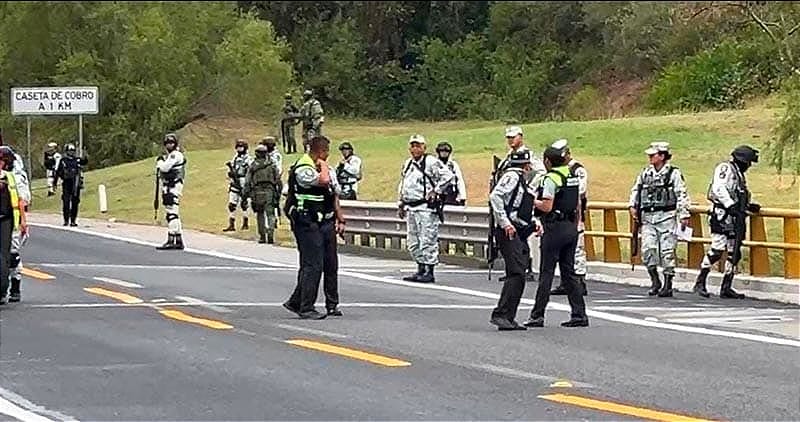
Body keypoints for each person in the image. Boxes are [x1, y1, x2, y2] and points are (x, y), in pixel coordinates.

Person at [524, 146, 589, 328]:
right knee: (569, 273)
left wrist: (530, 200)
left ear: (547, 161)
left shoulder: (551, 178)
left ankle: (537, 315)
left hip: (554, 228)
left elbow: (546, 206)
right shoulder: (572, 176)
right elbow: (577, 203)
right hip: (571, 227)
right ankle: (579, 314)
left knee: (546, 273)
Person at [282, 136, 346, 319]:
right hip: (306, 221)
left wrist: (339, 216)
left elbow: (333, 192)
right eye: (325, 153)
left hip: (325, 221)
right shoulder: (303, 168)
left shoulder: (325, 167)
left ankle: (328, 304)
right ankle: (306, 307)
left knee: (330, 263)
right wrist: (323, 166)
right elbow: (324, 181)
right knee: (312, 265)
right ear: (320, 152)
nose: (327, 156)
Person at [693, 145, 761, 299]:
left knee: (734, 251)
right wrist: (730, 205)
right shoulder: (725, 169)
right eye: (748, 162)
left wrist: (748, 206)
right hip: (722, 214)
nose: (749, 166)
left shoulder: (739, 175)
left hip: (736, 217)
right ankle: (700, 281)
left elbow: (738, 194)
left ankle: (727, 285)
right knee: (717, 249)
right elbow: (719, 189)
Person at [628, 141, 691, 297]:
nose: (650, 157)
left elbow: (681, 194)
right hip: (648, 218)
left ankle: (668, 284)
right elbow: (636, 189)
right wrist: (632, 205)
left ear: (662, 156)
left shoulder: (673, 173)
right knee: (648, 250)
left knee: (667, 251)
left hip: (667, 216)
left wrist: (684, 214)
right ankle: (655, 280)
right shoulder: (645, 173)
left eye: (653, 155)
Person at [489, 150, 541, 331]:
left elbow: (521, 207)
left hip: (517, 229)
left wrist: (533, 223)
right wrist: (505, 223)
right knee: (517, 272)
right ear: (526, 166)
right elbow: (495, 197)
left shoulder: (521, 180)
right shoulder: (512, 177)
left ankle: (508, 315)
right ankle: (502, 314)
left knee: (519, 270)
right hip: (508, 231)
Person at [397, 134, 454, 283]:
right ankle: (420, 267)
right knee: (413, 241)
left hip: (426, 208)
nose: (415, 149)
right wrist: (401, 203)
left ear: (424, 147)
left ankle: (429, 270)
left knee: (427, 239)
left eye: (418, 146)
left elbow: (448, 176)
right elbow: (404, 184)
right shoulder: (408, 164)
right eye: (413, 146)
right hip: (411, 207)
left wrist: (436, 191)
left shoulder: (431, 162)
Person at [497, 126, 545, 283]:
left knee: (523, 232)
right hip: (509, 200)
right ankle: (513, 268)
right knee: (512, 236)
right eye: (508, 137)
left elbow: (541, 172)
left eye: (513, 137)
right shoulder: (509, 156)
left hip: (522, 200)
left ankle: (526, 267)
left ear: (521, 137)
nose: (511, 140)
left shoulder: (528, 155)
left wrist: (529, 188)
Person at [549, 139, 589, 296]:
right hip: (560, 216)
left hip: (575, 215)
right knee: (562, 251)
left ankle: (579, 280)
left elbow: (579, 191)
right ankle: (565, 281)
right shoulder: (558, 171)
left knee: (578, 249)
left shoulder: (577, 170)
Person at [1, 146, 30, 303]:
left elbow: (23, 200)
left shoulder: (16, 177)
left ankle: (15, 287)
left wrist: (23, 221)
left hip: (13, 221)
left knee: (12, 255)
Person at [244, 143, 281, 244]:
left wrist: (245, 195)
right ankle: (270, 233)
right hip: (270, 191)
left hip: (257, 191)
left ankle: (262, 236)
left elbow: (247, 182)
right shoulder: (272, 165)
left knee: (260, 214)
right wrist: (278, 193)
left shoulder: (252, 166)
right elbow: (278, 180)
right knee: (270, 214)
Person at [155, 133, 187, 250]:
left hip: (173, 187)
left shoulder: (175, 155)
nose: (169, 145)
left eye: (171, 143)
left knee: (171, 213)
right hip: (170, 186)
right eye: (168, 143)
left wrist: (159, 163)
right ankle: (178, 239)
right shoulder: (172, 155)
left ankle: (171, 238)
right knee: (174, 213)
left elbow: (165, 168)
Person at [53, 143, 87, 227]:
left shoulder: (77, 160)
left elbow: (85, 162)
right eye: (69, 151)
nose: (71, 153)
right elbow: (58, 172)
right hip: (66, 184)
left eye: (73, 151)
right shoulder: (63, 161)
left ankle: (73, 220)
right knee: (66, 202)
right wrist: (55, 183)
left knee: (75, 202)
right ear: (66, 151)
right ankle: (66, 220)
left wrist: (85, 153)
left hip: (75, 184)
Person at [224, 139, 253, 232]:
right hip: (234, 183)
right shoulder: (235, 158)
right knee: (232, 204)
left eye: (241, 147)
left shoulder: (249, 159)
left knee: (244, 204)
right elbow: (232, 168)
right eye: (238, 147)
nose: (239, 149)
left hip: (244, 182)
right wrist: (230, 174)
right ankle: (231, 223)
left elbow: (250, 171)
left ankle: (245, 222)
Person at [435, 141, 467, 206]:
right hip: (438, 193)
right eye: (442, 151)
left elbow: (459, 180)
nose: (444, 153)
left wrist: (462, 197)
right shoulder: (434, 164)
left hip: (451, 194)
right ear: (438, 152)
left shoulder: (453, 165)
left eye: (446, 151)